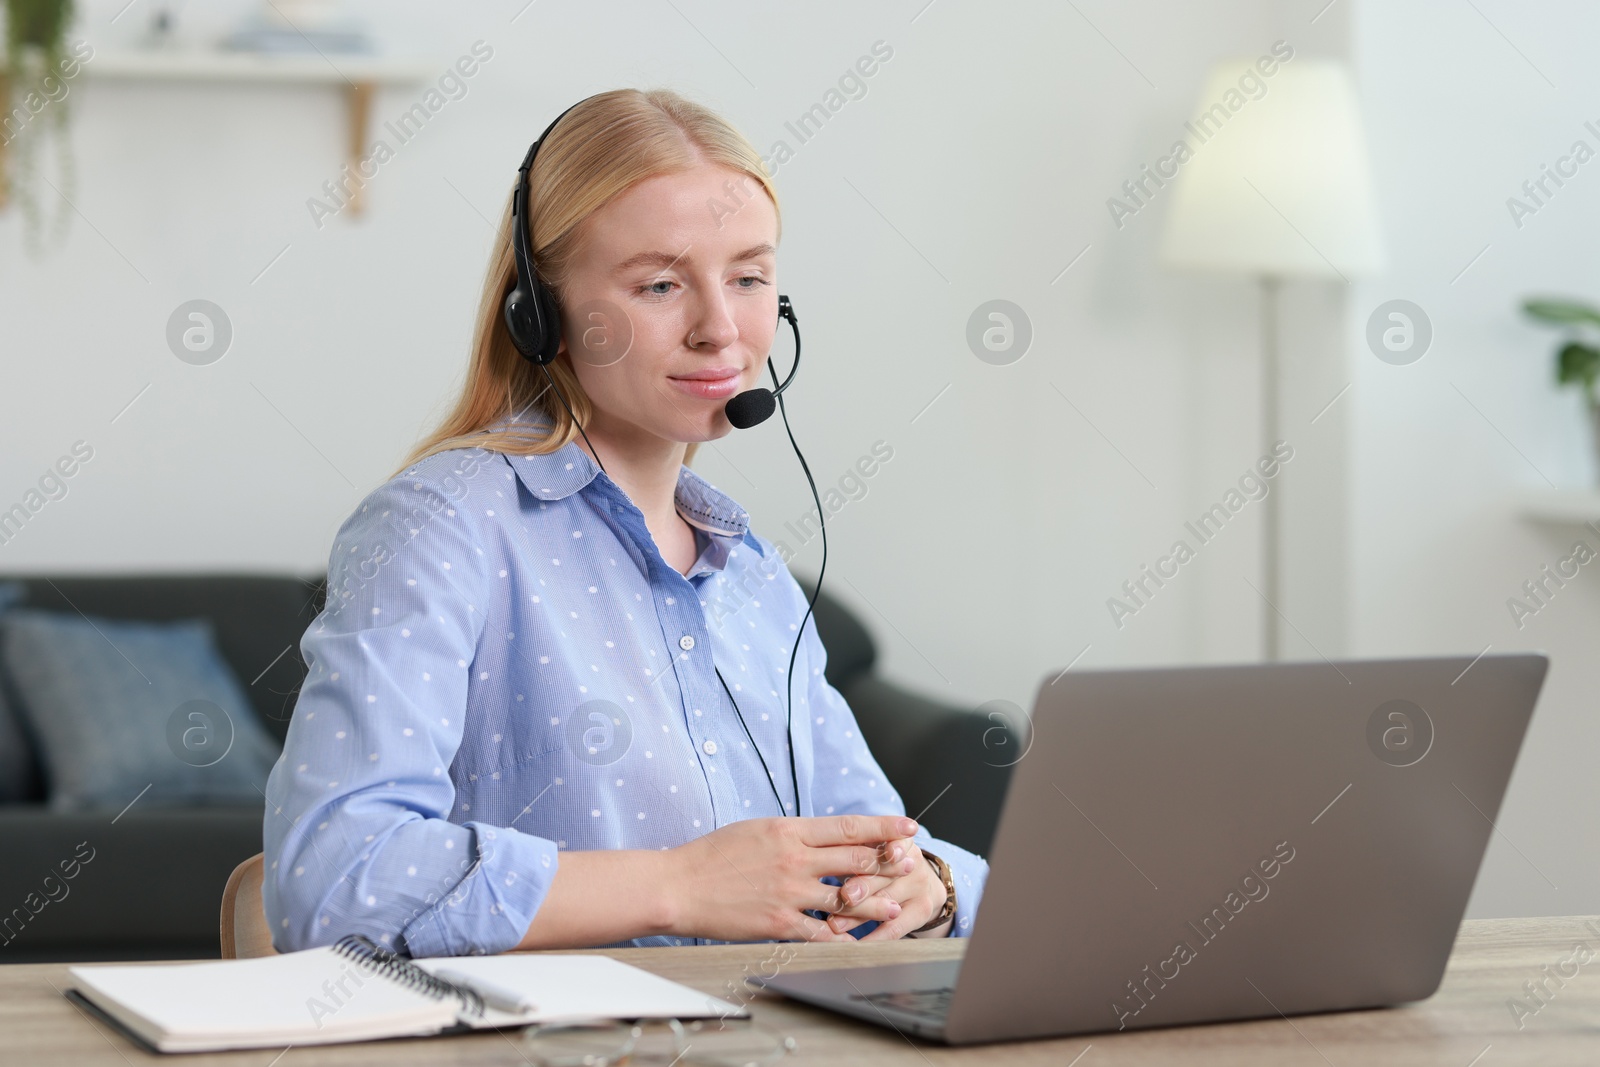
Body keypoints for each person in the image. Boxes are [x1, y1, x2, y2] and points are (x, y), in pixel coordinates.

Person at [263, 88, 988, 957]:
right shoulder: (443, 526)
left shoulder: (752, 576)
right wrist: (680, 886)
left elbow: (880, 843)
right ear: (541, 313)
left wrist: (931, 886)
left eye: (750, 277)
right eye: (659, 283)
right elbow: (333, 879)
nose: (720, 329)